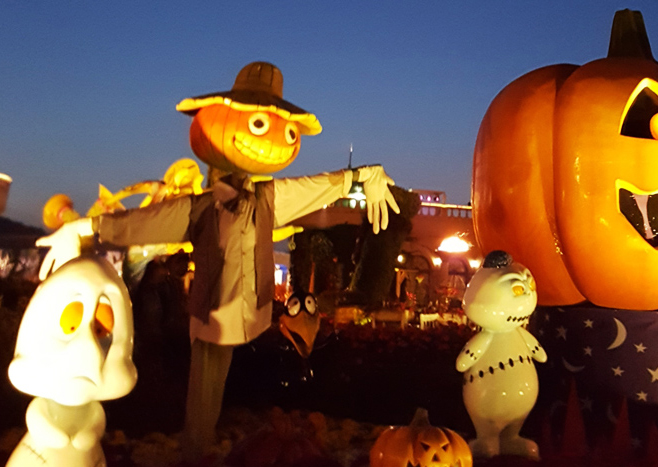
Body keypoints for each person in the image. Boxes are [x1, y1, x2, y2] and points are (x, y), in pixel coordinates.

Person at [36, 62, 399, 463]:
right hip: (214, 313)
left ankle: (218, 440)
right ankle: (194, 451)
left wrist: (360, 176)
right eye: (260, 124)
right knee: (206, 384)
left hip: (253, 311)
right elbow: (147, 221)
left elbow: (309, 188)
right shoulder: (203, 207)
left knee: (240, 377)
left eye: (285, 130)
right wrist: (88, 227)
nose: (272, 140)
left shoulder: (267, 198)